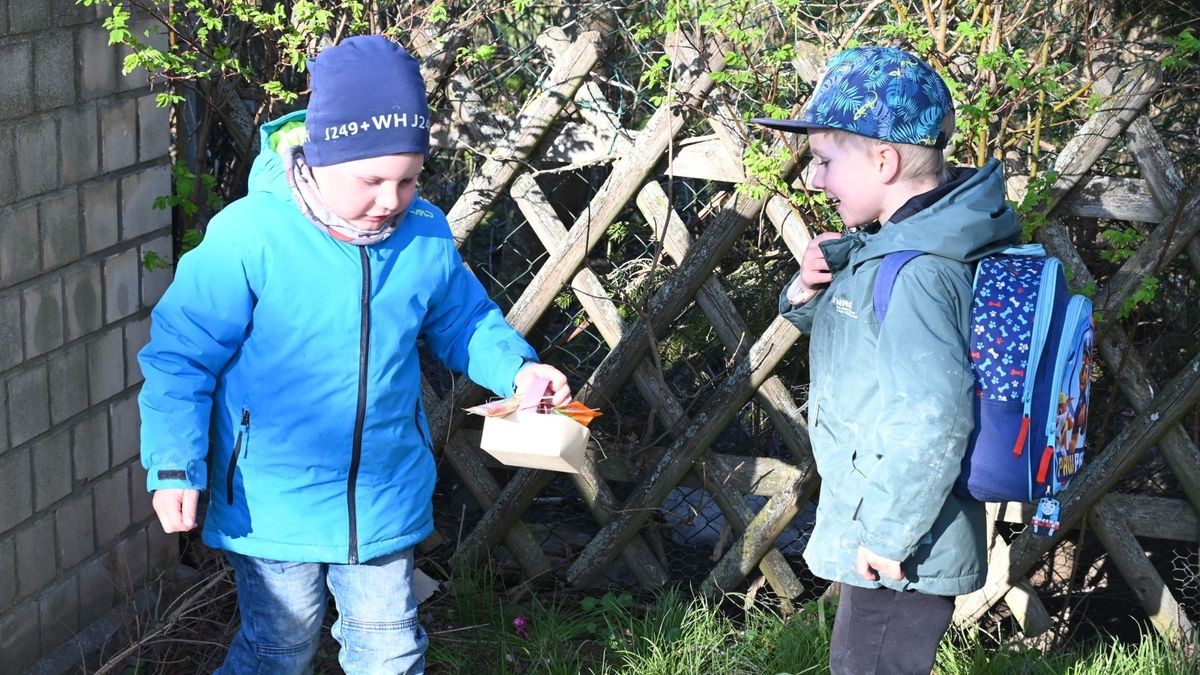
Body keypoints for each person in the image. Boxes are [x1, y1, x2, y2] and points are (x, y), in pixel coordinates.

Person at [137, 35, 570, 675]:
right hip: (272, 495)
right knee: (281, 645)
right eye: (371, 180)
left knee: (390, 648)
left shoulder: (422, 233)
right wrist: (175, 463)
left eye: (408, 179)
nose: (391, 199)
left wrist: (519, 367)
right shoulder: (251, 237)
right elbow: (180, 357)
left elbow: (465, 319)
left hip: (383, 492)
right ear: (318, 157)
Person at [752, 46, 1021, 674]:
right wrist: (805, 295)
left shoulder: (921, 269)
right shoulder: (900, 245)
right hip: (889, 520)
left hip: (904, 538)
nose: (814, 179)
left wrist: (890, 533)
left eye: (824, 161)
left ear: (885, 159)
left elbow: (933, 418)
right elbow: (867, 345)